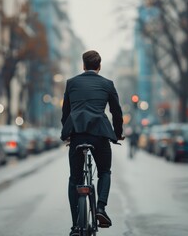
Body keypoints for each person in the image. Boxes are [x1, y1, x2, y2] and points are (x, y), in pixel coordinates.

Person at [61, 50, 124, 236]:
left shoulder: (71, 83)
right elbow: (116, 112)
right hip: (100, 134)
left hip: (78, 134)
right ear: (99, 66)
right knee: (104, 171)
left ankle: (74, 226)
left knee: (74, 179)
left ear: (83, 65)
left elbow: (65, 113)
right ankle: (101, 209)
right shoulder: (107, 84)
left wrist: (68, 134)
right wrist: (118, 134)